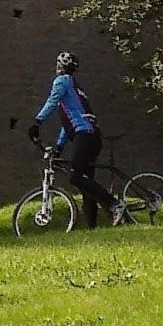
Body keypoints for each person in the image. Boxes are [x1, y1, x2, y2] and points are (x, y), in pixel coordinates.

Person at [29, 51, 126, 227]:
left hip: (85, 135)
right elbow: (69, 124)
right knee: (86, 183)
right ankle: (92, 227)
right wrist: (59, 146)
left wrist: (37, 123)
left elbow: (52, 101)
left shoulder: (61, 81)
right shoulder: (76, 89)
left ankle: (114, 204)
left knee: (75, 177)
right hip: (92, 136)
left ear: (60, 67)